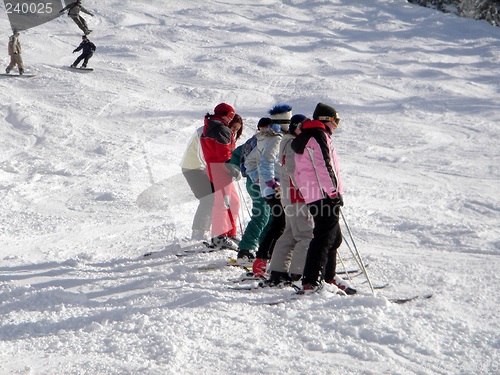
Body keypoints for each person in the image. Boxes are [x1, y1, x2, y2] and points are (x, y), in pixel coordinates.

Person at [291, 103, 356, 295]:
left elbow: (300, 172)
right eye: (336, 121)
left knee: (333, 237)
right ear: (326, 120)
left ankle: (328, 276)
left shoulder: (308, 136)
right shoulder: (317, 135)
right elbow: (323, 166)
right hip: (323, 194)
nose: (336, 125)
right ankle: (312, 281)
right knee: (323, 237)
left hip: (316, 194)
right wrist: (333, 192)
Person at [264, 114, 313, 286]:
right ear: (296, 127)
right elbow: (294, 171)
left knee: (290, 234)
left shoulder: (287, 142)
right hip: (297, 197)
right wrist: (307, 192)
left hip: (290, 197)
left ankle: (278, 271)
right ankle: (299, 275)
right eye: (304, 127)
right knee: (306, 236)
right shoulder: (293, 145)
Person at [250, 104, 292, 276]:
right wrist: (272, 183)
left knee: (279, 224)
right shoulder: (276, 139)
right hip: (276, 189)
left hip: (271, 188)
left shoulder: (264, 138)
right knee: (280, 224)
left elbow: (250, 161)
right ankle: (263, 261)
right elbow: (266, 162)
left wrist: (257, 179)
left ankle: (266, 261)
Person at [231, 118, 273, 264]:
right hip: (257, 182)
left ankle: (265, 247)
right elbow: (235, 156)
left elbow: (236, 154)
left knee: (270, 216)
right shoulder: (263, 142)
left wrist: (233, 167)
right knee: (262, 215)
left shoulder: (253, 140)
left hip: (257, 182)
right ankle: (246, 249)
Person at [200, 103, 240, 250]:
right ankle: (219, 236)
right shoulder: (221, 129)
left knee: (233, 201)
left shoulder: (211, 126)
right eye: (230, 116)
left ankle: (229, 232)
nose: (230, 120)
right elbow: (224, 152)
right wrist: (232, 166)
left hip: (216, 167)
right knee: (223, 202)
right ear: (223, 114)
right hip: (220, 168)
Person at [180, 126, 213, 242]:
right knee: (209, 199)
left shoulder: (208, 128)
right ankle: (199, 233)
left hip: (195, 167)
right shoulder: (206, 130)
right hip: (194, 168)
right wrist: (209, 168)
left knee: (210, 198)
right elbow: (201, 153)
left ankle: (201, 232)